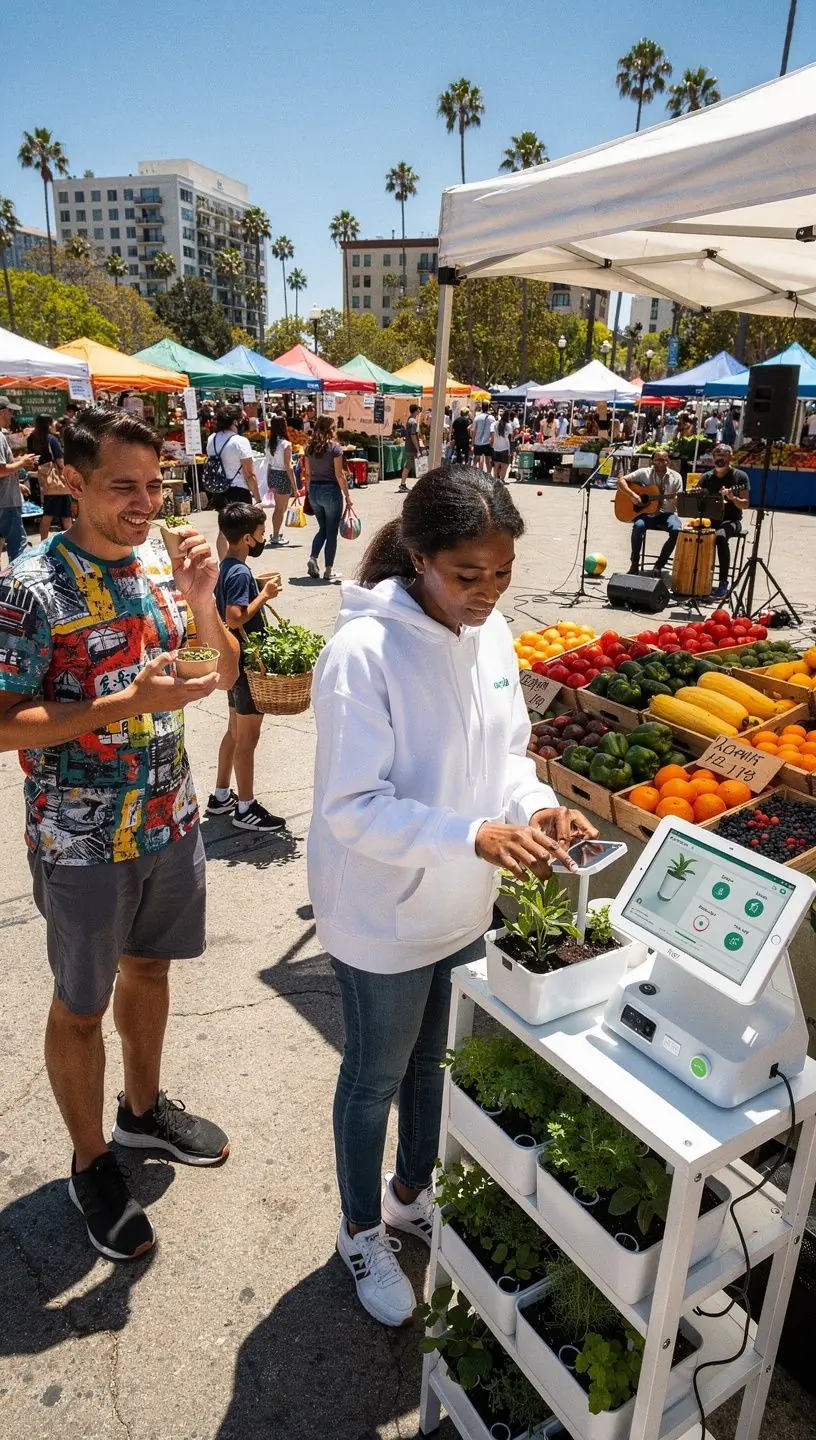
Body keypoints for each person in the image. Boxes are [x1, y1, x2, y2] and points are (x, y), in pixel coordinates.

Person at [307, 465, 598, 1326]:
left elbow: (507, 752)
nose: (488, 591)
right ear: (419, 557)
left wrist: (539, 808)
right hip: (382, 912)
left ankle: (410, 1192)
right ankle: (361, 1228)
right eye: (468, 575)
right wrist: (472, 835)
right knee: (375, 1075)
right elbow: (352, 807)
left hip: (462, 900)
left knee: (438, 1067)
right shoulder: (364, 652)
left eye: (502, 572)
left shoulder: (493, 633)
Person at [0, 407, 239, 1261]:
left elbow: (222, 673)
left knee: (151, 968)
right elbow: (3, 723)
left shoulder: (158, 565)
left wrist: (206, 603)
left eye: (156, 483)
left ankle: (140, 1114)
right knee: (80, 1004)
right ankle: (91, 1160)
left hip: (170, 819)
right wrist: (122, 706)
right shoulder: (29, 585)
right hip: (81, 838)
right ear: (70, 481)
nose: (145, 504)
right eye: (123, 487)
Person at [209, 502, 286, 832]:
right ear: (246, 539)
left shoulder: (226, 566)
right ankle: (245, 807)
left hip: (232, 660)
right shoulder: (240, 572)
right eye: (261, 531)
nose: (264, 535)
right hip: (247, 663)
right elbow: (235, 617)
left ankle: (221, 795)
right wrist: (265, 594)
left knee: (234, 731)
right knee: (247, 739)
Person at [205, 404, 261, 561]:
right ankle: (238, 564)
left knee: (223, 530)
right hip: (239, 490)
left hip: (219, 488)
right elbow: (249, 474)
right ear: (235, 421)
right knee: (243, 531)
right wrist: (257, 496)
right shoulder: (240, 441)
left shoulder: (212, 439)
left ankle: (224, 565)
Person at [618, 448, 683, 574]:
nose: (661, 463)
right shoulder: (644, 473)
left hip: (667, 514)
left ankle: (659, 565)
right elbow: (621, 481)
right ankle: (635, 562)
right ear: (652, 461)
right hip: (646, 514)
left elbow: (679, 503)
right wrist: (632, 495)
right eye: (658, 460)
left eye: (664, 460)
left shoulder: (676, 477)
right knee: (638, 526)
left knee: (677, 531)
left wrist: (674, 500)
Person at [303, 415, 350, 584]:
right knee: (331, 533)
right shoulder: (335, 448)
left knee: (323, 528)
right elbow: (339, 475)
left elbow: (307, 473)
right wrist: (347, 496)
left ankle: (313, 557)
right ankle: (328, 570)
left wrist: (309, 492)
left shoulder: (309, 448)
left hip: (314, 489)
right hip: (330, 490)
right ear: (331, 429)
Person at [698, 443, 749, 598]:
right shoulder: (706, 477)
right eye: (718, 455)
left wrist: (733, 498)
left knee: (720, 537)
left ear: (730, 457)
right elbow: (697, 501)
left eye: (724, 455)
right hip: (710, 519)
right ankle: (698, 579)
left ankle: (723, 582)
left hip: (731, 520)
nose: (720, 458)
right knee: (691, 535)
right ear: (713, 458)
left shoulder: (740, 477)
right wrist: (697, 495)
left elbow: (745, 504)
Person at [0, 396, 37, 562]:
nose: (11, 415)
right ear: (2, 412)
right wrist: (22, 462)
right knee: (18, 546)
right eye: (10, 411)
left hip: (6, 497)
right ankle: (18, 582)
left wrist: (17, 482)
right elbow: (1, 469)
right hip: (6, 501)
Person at [30, 414, 73, 542]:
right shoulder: (52, 439)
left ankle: (42, 541)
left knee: (48, 513)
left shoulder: (34, 438)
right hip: (58, 482)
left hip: (47, 481)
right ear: (49, 424)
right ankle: (69, 542)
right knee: (66, 514)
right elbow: (60, 461)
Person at [264, 414, 299, 548]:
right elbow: (288, 466)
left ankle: (275, 533)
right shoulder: (286, 444)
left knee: (279, 508)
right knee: (280, 508)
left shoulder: (269, 443)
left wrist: (268, 478)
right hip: (282, 475)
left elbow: (268, 463)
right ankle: (276, 535)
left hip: (272, 473)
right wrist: (295, 487)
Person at [399, 403, 423, 492]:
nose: (419, 411)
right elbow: (413, 435)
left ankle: (403, 484)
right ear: (416, 411)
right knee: (408, 465)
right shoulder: (413, 422)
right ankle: (402, 484)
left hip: (408, 446)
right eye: (418, 409)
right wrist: (417, 449)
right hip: (411, 447)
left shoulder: (410, 419)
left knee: (409, 465)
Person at [472, 402, 495, 470]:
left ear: (482, 408)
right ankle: (488, 474)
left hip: (478, 441)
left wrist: (472, 443)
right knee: (488, 459)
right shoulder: (492, 418)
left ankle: (473, 472)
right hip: (488, 441)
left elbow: (474, 431)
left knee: (476, 458)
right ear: (488, 408)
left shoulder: (477, 418)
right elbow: (493, 431)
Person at [491, 410, 512, 481]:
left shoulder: (496, 424)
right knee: (505, 465)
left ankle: (495, 479)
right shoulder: (508, 426)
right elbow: (510, 438)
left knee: (496, 465)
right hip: (505, 447)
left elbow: (493, 436)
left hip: (496, 447)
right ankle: (502, 479)